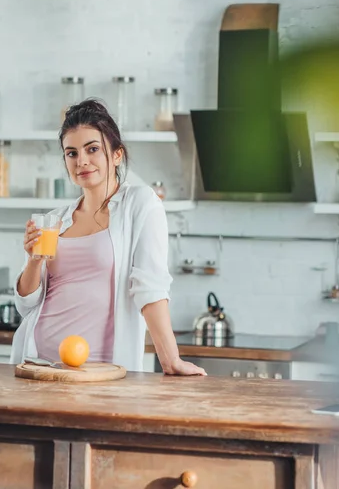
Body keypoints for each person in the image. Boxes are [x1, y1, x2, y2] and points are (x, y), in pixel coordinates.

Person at [11, 99, 206, 376]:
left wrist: (170, 360)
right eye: (71, 153)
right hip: (38, 364)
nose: (82, 161)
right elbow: (26, 305)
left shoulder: (139, 204)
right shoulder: (56, 219)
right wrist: (33, 261)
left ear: (116, 155)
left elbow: (150, 288)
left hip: (103, 370)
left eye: (92, 149)